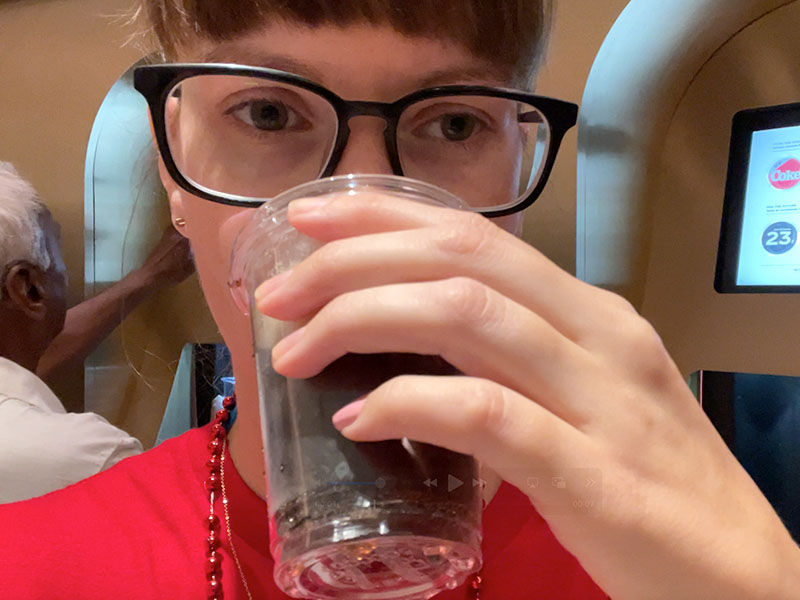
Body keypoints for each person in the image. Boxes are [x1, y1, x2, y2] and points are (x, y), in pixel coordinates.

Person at [2, 1, 799, 599]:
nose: (360, 219)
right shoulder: (32, 564)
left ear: (518, 172)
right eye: (269, 113)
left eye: (454, 125)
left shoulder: (661, 547)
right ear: (174, 164)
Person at [0, 161, 193, 503]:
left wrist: (148, 277)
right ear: (29, 289)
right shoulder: (87, 460)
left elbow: (29, 356)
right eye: (59, 250)